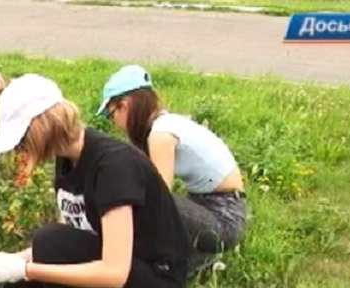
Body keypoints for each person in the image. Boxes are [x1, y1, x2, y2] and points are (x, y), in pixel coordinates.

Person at [0, 74, 192, 288]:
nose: (20, 148)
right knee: (11, 285)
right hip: (123, 272)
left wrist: (27, 268)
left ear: (41, 125)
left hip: (156, 280)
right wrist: (15, 261)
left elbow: (114, 272)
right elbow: (74, 236)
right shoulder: (67, 161)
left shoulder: (113, 166)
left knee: (49, 244)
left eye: (21, 138)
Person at [96, 65, 249, 269]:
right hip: (210, 207)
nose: (114, 123)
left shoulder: (161, 135)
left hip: (224, 219)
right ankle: (195, 257)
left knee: (147, 203)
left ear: (124, 105)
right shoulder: (168, 123)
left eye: (111, 114)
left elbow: (158, 199)